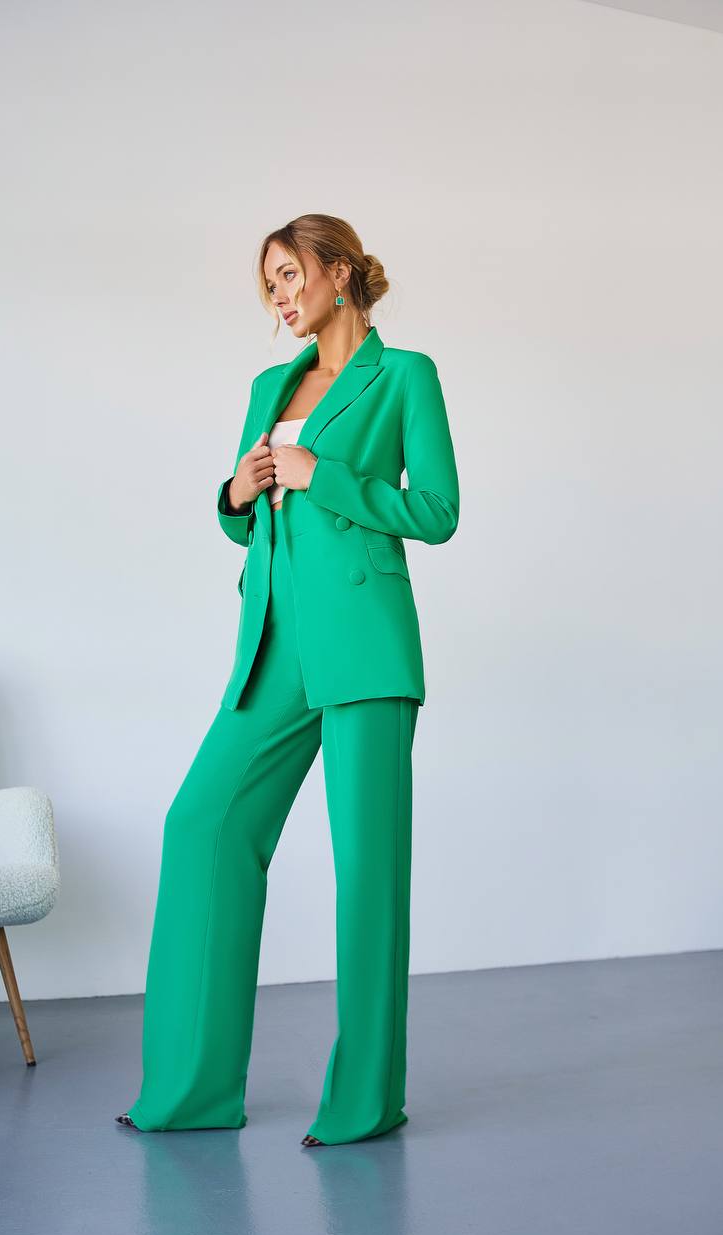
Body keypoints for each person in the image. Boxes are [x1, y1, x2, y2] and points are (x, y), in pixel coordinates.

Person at [116, 213, 460, 1147]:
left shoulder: (405, 376)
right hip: (271, 644)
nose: (277, 294)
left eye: (287, 273)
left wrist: (324, 475)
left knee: (367, 876)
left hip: (366, 644)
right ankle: (189, 1089)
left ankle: (363, 1103)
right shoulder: (269, 385)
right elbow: (249, 519)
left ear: (338, 272)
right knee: (203, 824)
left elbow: (435, 510)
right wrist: (236, 492)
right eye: (266, 282)